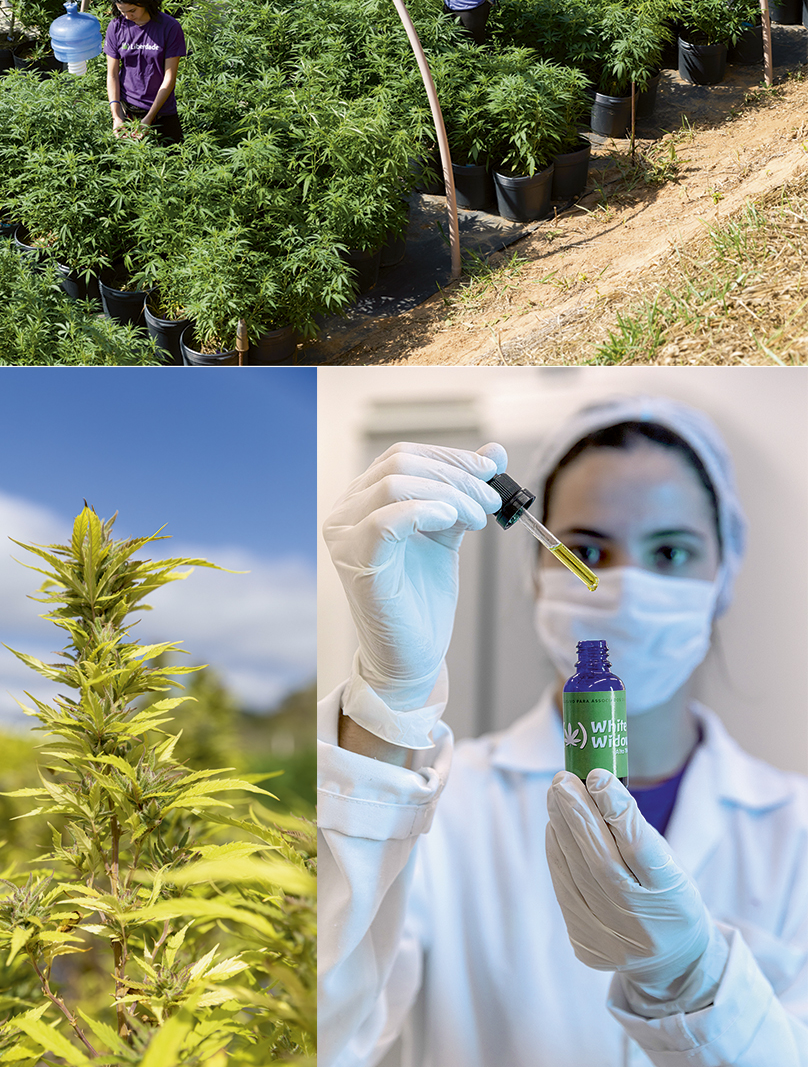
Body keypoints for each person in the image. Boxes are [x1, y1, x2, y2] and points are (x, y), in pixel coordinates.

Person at [319, 396, 808, 1067]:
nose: (623, 587)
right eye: (584, 548)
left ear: (722, 576)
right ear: (537, 572)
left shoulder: (796, 832)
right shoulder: (449, 808)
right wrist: (386, 704)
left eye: (670, 550)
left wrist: (699, 984)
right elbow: (318, 1037)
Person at [104, 0, 185, 143]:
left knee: (174, 160)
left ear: (145, 2)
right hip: (127, 109)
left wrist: (149, 118)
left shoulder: (169, 27)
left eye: (132, 10)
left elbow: (169, 78)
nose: (127, 16)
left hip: (162, 109)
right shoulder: (116, 26)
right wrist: (116, 117)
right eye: (122, 11)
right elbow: (112, 75)